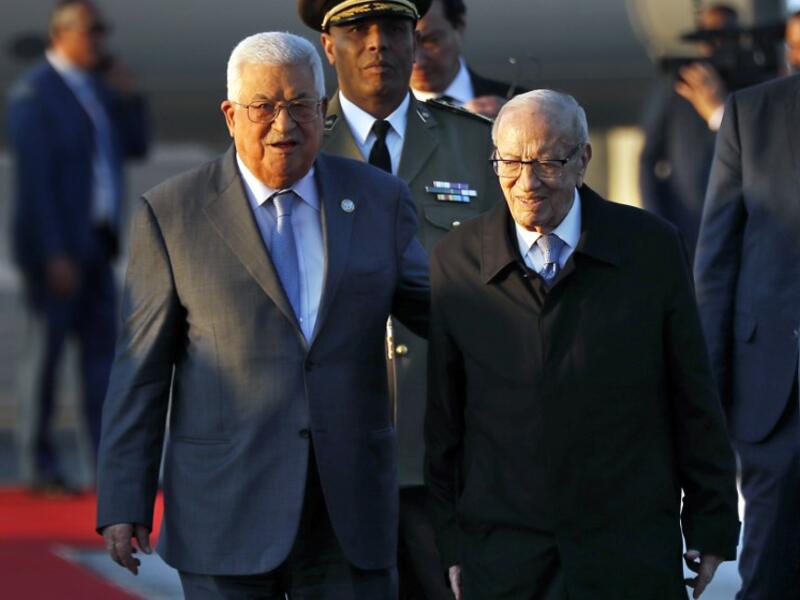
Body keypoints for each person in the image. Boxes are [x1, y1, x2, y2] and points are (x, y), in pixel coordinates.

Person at [95, 31, 429, 599]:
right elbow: (141, 369)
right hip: (225, 509)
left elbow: (443, 313)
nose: (284, 124)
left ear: (323, 112)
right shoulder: (172, 214)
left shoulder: (379, 199)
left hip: (347, 513)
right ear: (230, 115)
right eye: (263, 107)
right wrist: (124, 499)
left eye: (302, 105)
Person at [426, 90, 740, 600]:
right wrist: (452, 544)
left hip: (627, 549)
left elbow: (693, 394)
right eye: (510, 162)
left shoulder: (650, 248)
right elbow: (445, 420)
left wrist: (712, 520)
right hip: (507, 556)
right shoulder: (456, 260)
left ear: (583, 160)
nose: (527, 182)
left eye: (549, 160)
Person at [297, 1, 502, 597]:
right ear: (328, 46)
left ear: (415, 41)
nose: (376, 44)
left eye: (391, 29)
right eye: (355, 30)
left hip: (445, 450)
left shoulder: (476, 147)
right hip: (329, 452)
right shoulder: (298, 150)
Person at [6, 0, 149, 493]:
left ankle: (103, 469)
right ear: (61, 34)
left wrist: (130, 98)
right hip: (58, 253)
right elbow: (35, 184)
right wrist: (52, 253)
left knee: (101, 363)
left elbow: (134, 146)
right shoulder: (35, 96)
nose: (100, 41)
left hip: (95, 246)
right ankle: (38, 466)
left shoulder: (95, 91)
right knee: (42, 361)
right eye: (92, 31)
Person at [694, 73, 800, 600]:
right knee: (769, 577)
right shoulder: (751, 112)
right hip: (778, 396)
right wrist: (707, 401)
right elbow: (717, 262)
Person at [639, 4, 737, 262]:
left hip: (738, 220)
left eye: (726, 34)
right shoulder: (677, 84)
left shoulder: (750, 83)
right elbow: (648, 158)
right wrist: (658, 219)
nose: (717, 43)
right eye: (709, 34)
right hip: (687, 219)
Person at [410, 0, 521, 118]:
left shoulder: (521, 107)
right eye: (406, 44)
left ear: (460, 26)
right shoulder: (389, 113)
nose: (418, 61)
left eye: (432, 41)